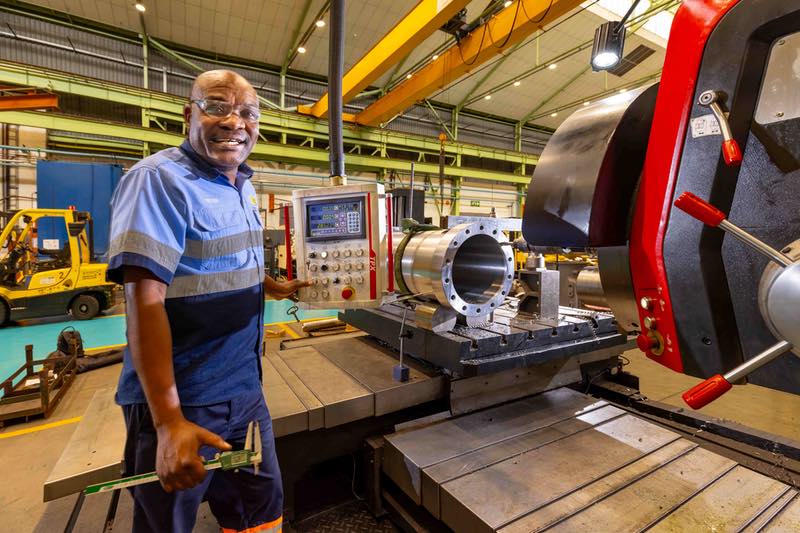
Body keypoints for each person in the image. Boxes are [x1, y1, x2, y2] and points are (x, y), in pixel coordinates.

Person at [107, 69, 309, 533]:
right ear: (188, 114)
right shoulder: (158, 181)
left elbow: (211, 260)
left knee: (260, 511)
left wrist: (268, 284)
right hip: (186, 400)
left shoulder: (242, 183)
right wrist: (168, 422)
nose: (235, 121)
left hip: (245, 390)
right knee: (168, 523)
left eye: (248, 112)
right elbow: (146, 301)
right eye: (217, 106)